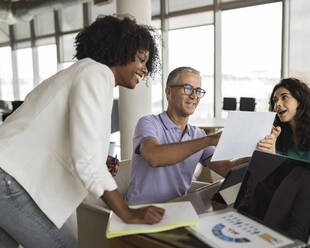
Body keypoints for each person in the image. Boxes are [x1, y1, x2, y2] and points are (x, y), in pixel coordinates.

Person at [0, 15, 165, 248]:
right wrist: (128, 213)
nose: (145, 69)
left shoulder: (83, 72)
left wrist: (99, 158)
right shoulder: (96, 74)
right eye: (140, 59)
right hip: (8, 180)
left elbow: (70, 142)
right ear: (120, 51)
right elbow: (86, 162)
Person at [125, 66, 279, 205]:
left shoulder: (197, 134)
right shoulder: (149, 123)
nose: (194, 96)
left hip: (175, 211)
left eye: (198, 91)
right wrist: (209, 140)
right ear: (169, 92)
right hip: (140, 212)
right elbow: (154, 157)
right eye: (188, 88)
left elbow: (227, 168)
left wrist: (259, 153)